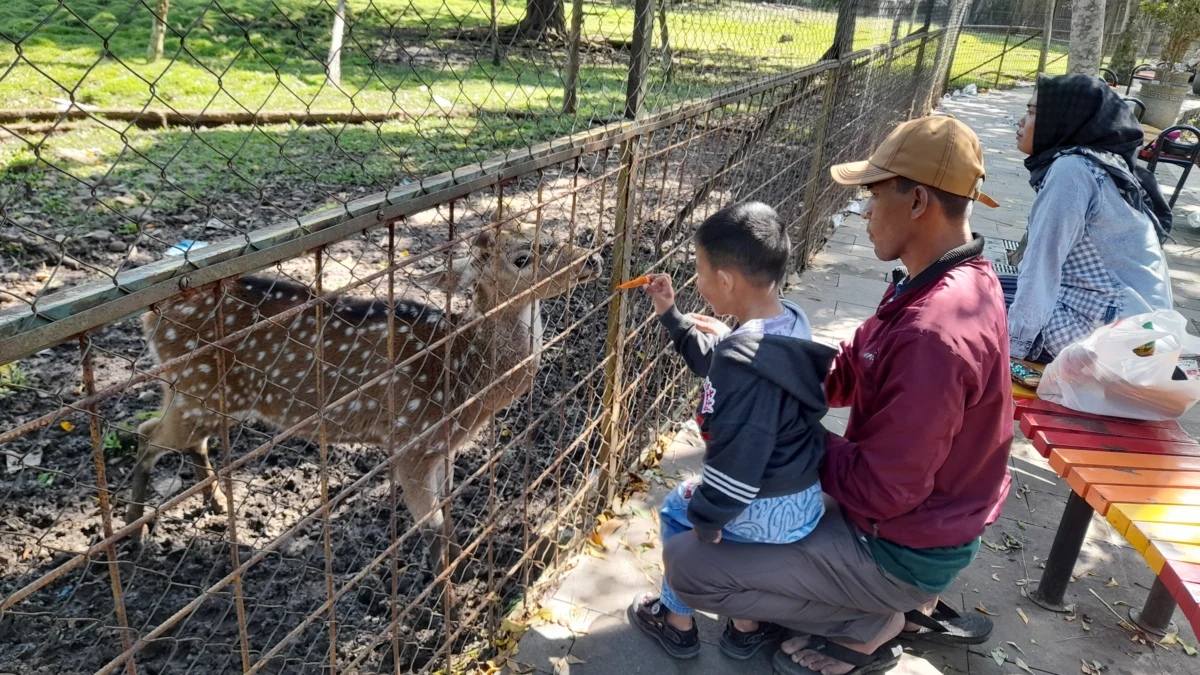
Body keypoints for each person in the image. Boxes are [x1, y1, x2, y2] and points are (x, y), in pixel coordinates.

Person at [659, 116, 1013, 675]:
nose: (866, 214)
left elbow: (886, 488)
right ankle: (869, 600)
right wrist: (752, 355)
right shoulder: (948, 281)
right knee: (772, 504)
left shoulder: (933, 333)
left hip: (900, 543)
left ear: (918, 200)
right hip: (925, 517)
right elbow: (847, 372)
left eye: (874, 197)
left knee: (688, 565)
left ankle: (868, 620)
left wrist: (781, 435)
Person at [627, 202, 839, 661]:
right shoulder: (790, 324)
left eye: (700, 272)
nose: (697, 282)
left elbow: (738, 454)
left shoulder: (738, 361)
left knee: (676, 510)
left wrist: (708, 517)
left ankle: (677, 621)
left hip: (762, 506)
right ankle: (746, 628)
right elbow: (726, 359)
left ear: (725, 280)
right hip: (802, 494)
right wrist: (673, 315)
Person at [1008, 73, 1173, 365]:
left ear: (1062, 121)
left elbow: (1040, 267)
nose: (1021, 121)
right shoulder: (1102, 161)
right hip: (1140, 335)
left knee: (968, 305)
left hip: (1109, 339)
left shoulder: (1071, 170)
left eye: (1032, 112)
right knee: (990, 286)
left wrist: (1014, 349)